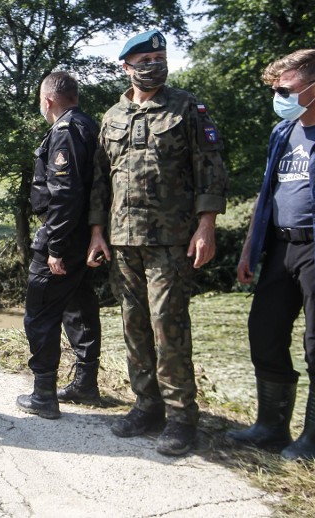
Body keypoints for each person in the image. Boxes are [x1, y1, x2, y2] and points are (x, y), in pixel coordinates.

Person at [87, 29, 228, 456]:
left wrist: (207, 225)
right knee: (133, 323)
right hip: (122, 239)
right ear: (126, 67)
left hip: (171, 239)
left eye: (159, 57)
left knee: (168, 323)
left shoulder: (187, 107)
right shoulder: (111, 117)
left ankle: (182, 417)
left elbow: (210, 166)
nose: (154, 65)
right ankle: (146, 405)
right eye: (145, 59)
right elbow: (100, 180)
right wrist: (96, 231)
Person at [228, 49, 315, 462]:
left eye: (285, 89)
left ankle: (314, 441)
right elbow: (267, 193)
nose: (278, 96)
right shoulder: (282, 131)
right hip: (279, 248)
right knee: (264, 332)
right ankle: (270, 427)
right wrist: (249, 247)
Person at [16, 72, 102, 420]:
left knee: (40, 313)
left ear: (47, 100)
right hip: (85, 236)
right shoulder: (88, 125)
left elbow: (65, 194)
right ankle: (85, 384)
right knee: (79, 306)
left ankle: (44, 396)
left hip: (64, 236)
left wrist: (55, 246)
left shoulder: (65, 131)